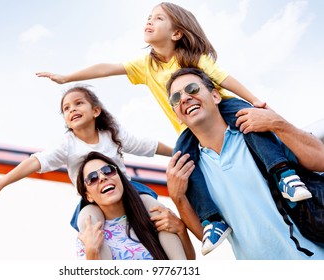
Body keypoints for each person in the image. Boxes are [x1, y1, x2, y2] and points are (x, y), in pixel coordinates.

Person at [35, 2, 311, 255]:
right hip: (190, 127)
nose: (149, 21)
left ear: (177, 33)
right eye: (148, 17)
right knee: (184, 164)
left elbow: (225, 79)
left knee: (251, 123)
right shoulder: (146, 66)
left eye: (158, 18)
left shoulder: (194, 58)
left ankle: (283, 173)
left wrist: (254, 101)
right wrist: (68, 76)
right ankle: (212, 220)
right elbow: (109, 68)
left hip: (221, 108)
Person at [0, 84, 189, 260]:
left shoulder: (111, 134)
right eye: (66, 108)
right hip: (92, 201)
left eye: (78, 103)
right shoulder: (67, 144)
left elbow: (147, 145)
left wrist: (179, 151)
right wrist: (1, 183)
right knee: (91, 230)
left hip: (130, 190)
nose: (72, 109)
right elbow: (35, 162)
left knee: (160, 213)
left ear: (96, 110)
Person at [165, 67, 324, 259]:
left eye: (192, 89)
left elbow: (320, 160)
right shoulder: (189, 172)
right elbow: (203, 235)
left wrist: (278, 123)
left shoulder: (260, 131)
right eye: (175, 98)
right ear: (177, 116)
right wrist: (177, 197)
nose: (184, 98)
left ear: (215, 96)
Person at [76, 151, 195, 260]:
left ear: (120, 177)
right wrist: (91, 251)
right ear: (88, 196)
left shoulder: (153, 214)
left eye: (108, 170)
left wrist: (181, 230)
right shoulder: (87, 236)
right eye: (92, 178)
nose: (102, 178)